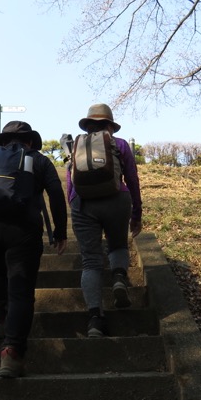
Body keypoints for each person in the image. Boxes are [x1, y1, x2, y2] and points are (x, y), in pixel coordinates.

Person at [0, 121, 68, 378]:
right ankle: (12, 352)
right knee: (20, 291)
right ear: (29, 140)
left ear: (4, 140)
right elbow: (55, 194)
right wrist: (60, 232)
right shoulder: (38, 159)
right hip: (23, 230)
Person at [67, 103, 142, 338]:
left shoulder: (77, 146)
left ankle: (95, 320)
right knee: (117, 244)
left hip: (84, 204)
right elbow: (131, 177)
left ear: (88, 125)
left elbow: (70, 182)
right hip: (116, 199)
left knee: (90, 261)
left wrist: (75, 204)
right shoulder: (119, 144)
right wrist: (136, 212)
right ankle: (119, 276)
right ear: (110, 125)